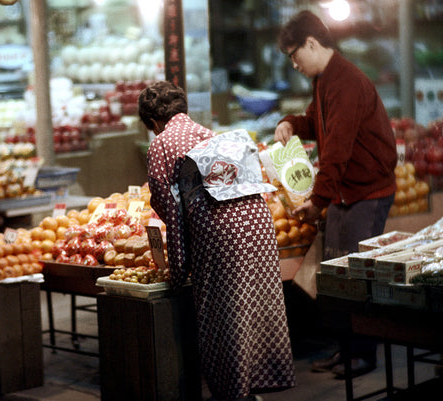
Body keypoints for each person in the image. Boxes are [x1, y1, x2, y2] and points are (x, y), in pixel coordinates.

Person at [140, 80, 295, 401]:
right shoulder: (207, 133)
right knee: (255, 304)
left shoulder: (161, 143)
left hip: (219, 232)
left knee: (222, 313)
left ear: (153, 122)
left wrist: (178, 269)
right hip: (259, 222)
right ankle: (256, 384)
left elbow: (169, 205)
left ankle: (232, 392)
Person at [275, 10, 397, 378]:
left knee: (357, 275)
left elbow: (338, 149)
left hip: (368, 192)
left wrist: (319, 199)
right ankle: (343, 348)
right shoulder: (326, 79)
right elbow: (318, 123)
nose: (294, 64)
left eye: (296, 55)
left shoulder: (344, 81)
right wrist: (291, 123)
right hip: (346, 193)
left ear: (312, 44)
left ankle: (363, 353)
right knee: (337, 276)